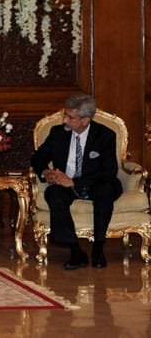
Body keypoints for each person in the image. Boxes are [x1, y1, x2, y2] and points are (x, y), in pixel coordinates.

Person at [30, 94, 122, 269]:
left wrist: (74, 182)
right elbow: (37, 158)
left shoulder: (105, 135)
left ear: (85, 120)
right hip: (65, 184)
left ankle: (98, 248)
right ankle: (75, 251)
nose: (64, 119)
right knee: (53, 193)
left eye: (70, 117)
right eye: (65, 115)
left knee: (106, 190)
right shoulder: (57, 133)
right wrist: (46, 172)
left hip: (96, 183)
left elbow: (109, 171)